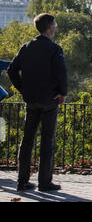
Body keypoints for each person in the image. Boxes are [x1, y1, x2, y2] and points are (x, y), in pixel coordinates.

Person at [7, 13, 67, 192]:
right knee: (47, 141)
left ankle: (22, 181)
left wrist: (23, 89)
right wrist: (62, 93)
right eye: (54, 25)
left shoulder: (27, 47)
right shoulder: (54, 49)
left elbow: (11, 70)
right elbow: (62, 74)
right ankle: (44, 182)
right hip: (49, 101)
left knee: (27, 141)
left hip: (31, 100)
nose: (55, 28)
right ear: (50, 27)